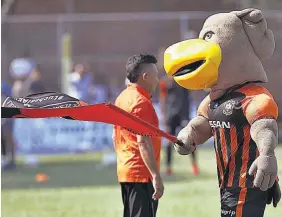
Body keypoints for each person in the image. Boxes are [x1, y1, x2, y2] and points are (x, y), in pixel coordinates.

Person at [113, 54, 163, 217]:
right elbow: (143, 141)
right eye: (156, 76)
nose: (157, 80)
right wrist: (155, 176)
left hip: (127, 170)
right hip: (142, 174)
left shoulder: (122, 97)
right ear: (145, 77)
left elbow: (115, 135)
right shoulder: (141, 102)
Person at [159, 76, 199, 176]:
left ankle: (194, 166)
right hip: (170, 115)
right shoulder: (165, 83)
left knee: (189, 139)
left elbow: (192, 92)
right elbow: (162, 99)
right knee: (169, 141)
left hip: (183, 113)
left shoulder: (184, 80)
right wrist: (164, 117)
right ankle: (168, 168)